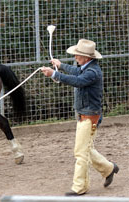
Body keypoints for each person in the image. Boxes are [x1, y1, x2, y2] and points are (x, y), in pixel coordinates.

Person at [41, 39, 119, 196]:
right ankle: (109, 168)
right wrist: (60, 65)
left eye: (78, 54)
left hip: (89, 117)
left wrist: (55, 73)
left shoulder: (92, 72)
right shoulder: (86, 67)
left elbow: (77, 81)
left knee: (81, 152)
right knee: (86, 149)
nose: (75, 56)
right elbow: (76, 73)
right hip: (85, 115)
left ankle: (80, 187)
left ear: (87, 58)